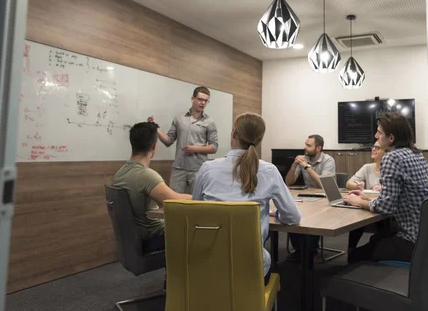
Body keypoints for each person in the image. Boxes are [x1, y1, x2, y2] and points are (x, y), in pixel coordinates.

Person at [192, 113, 301, 280]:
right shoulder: (269, 171)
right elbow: (292, 217)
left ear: (233, 133)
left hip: (208, 263)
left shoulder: (207, 168)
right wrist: (277, 215)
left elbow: (195, 212)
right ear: (259, 140)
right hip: (251, 268)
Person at [343, 113, 428, 263]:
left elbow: (386, 207)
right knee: (377, 238)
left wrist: (357, 201)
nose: (375, 135)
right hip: (426, 236)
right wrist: (367, 196)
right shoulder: (417, 154)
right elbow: (401, 193)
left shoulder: (392, 157)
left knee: (356, 255)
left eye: (379, 132)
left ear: (391, 138)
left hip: (411, 240)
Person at [112, 121, 191, 253]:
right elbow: (176, 202)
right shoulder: (146, 175)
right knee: (197, 231)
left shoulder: (120, 173)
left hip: (135, 239)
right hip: (152, 238)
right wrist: (201, 196)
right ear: (154, 146)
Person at [148, 86, 218, 194]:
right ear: (192, 99)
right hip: (179, 169)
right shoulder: (179, 118)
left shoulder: (209, 122)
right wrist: (155, 128)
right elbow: (168, 141)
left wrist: (196, 149)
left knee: (199, 203)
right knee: (174, 204)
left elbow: (214, 147)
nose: (203, 103)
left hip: (198, 170)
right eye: (200, 99)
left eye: (205, 101)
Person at [284, 134, 336, 262]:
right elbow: (288, 182)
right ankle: (299, 249)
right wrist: (294, 165)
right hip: (308, 197)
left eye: (308, 145)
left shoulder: (328, 160)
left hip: (324, 198)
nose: (305, 148)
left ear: (318, 148)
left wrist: (307, 166)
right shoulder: (304, 159)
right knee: (293, 212)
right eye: (305, 144)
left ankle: (311, 251)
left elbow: (323, 184)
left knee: (313, 216)